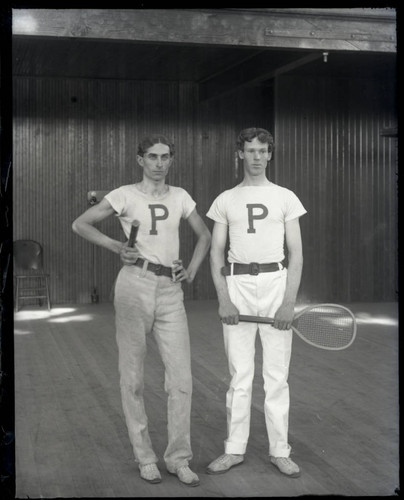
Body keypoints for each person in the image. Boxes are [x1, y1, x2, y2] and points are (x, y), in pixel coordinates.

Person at [72, 134, 211, 487]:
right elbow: (81, 223)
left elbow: (204, 236)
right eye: (153, 156)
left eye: (165, 157)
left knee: (181, 380)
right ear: (140, 160)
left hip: (170, 292)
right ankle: (145, 456)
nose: (160, 163)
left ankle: (178, 458)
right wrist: (116, 245)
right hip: (134, 286)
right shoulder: (124, 194)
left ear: (171, 160)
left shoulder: (180, 197)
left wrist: (191, 271)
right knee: (132, 378)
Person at [205, 127, 306, 478]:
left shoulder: (286, 197)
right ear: (240, 154)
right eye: (250, 150)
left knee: (276, 376)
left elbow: (296, 254)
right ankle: (234, 449)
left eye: (263, 150)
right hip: (237, 287)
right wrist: (224, 300)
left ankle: (280, 451)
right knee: (240, 376)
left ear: (270, 154)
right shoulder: (225, 199)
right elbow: (216, 254)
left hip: (276, 284)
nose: (257, 156)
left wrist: (288, 303)